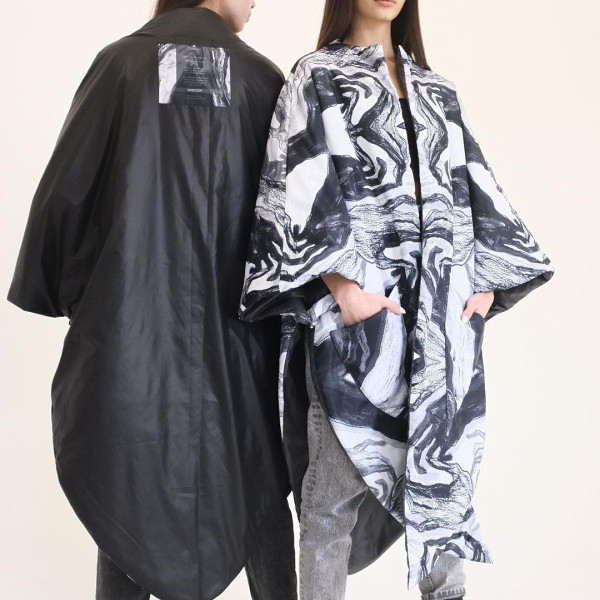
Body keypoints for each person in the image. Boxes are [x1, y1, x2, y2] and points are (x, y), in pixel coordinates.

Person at [238, 0, 555, 599]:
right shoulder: (316, 75)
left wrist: (485, 283)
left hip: (442, 327)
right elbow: (295, 182)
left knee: (443, 490)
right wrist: (342, 290)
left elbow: (473, 186)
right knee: (330, 504)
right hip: (357, 328)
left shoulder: (438, 91)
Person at [7, 2, 298, 599]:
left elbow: (67, 196)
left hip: (129, 340)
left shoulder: (120, 67)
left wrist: (76, 294)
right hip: (244, 350)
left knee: (129, 504)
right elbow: (295, 223)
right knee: (259, 491)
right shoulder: (264, 80)